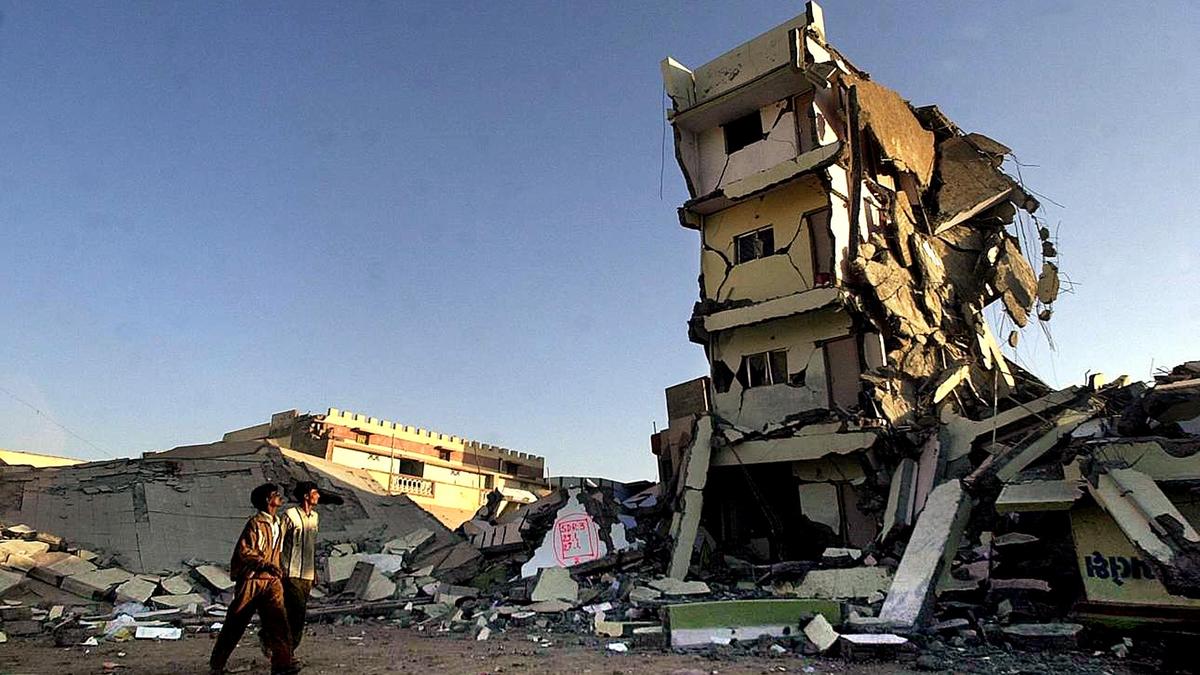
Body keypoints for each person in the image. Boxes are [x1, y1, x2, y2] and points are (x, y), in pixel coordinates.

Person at [209, 483, 299, 675]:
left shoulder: (278, 523)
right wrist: (265, 564)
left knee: (279, 623)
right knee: (236, 622)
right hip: (252, 580)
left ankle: (283, 665)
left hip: (272, 581)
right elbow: (245, 551)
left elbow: (278, 552)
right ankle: (217, 665)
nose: (280, 497)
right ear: (268, 500)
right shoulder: (255, 524)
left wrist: (279, 569)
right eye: (276, 495)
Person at [278, 480, 340, 649]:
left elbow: (311, 546)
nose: (318, 496)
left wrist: (314, 571)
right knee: (296, 612)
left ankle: (286, 648)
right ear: (306, 496)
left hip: (307, 573)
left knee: (298, 612)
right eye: (315, 493)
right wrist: (278, 567)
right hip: (290, 571)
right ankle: (286, 650)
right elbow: (278, 543)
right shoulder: (290, 515)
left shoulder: (315, 517)